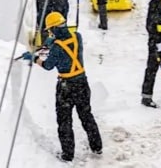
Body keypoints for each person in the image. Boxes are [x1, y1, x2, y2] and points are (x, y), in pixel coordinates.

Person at [22, 12, 103, 162]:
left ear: (53, 29)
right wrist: (53, 42)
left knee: (64, 121)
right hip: (82, 83)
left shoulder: (57, 48)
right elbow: (67, 46)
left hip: (66, 87)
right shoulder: (77, 36)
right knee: (86, 115)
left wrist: (34, 58)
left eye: (50, 30)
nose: (50, 33)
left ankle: (68, 154)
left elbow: (47, 65)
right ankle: (97, 146)